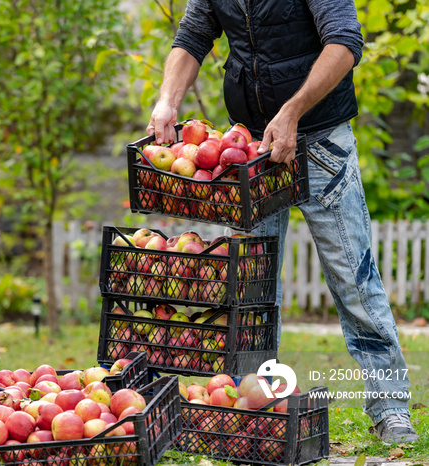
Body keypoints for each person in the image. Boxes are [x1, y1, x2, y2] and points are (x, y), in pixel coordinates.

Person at [146, 0, 417, 444]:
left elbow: (345, 43)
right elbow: (192, 38)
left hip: (320, 141)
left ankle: (390, 408)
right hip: (248, 150)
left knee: (354, 279)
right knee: (249, 288)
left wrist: (292, 112)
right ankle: (251, 410)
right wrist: (166, 100)